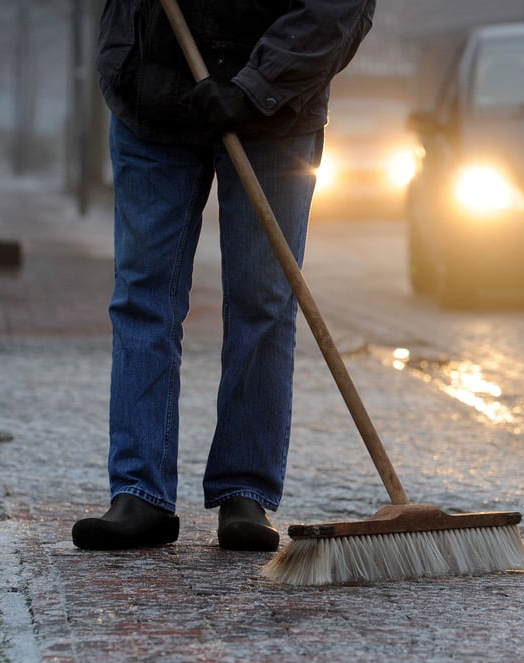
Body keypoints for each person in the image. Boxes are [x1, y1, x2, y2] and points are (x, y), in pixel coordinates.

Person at [71, 0, 376, 553]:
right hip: (154, 93)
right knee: (145, 294)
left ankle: (245, 491)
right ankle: (140, 492)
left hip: (279, 108)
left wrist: (255, 86)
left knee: (262, 299)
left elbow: (336, 8)